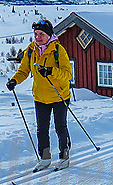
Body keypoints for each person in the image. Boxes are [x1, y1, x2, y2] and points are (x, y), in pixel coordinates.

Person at [7, 19, 73, 170]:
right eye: (36, 34)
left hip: (59, 96)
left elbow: (67, 74)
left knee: (60, 127)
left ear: (49, 35)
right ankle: (45, 158)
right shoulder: (31, 50)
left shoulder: (58, 50)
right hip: (40, 97)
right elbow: (24, 70)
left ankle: (64, 157)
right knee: (41, 129)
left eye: (41, 34)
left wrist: (50, 71)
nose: (38, 37)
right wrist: (14, 81)